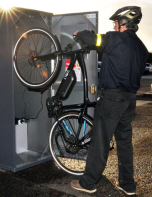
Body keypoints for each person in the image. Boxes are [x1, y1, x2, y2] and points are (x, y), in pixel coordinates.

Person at [71, 6, 148, 196]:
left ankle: (88, 182)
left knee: (100, 141)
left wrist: (80, 33)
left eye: (115, 23)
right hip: (129, 100)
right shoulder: (141, 47)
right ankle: (127, 185)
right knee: (124, 143)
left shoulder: (116, 39)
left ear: (123, 23)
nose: (113, 27)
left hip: (112, 98)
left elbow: (94, 39)